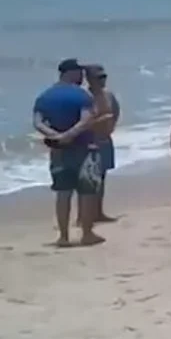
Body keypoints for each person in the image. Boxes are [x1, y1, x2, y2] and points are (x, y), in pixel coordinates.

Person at [33, 59, 108, 247]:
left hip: (59, 151)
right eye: (80, 73)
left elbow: (38, 123)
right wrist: (70, 135)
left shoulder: (45, 96)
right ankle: (87, 234)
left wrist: (57, 136)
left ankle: (64, 236)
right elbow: (86, 119)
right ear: (71, 73)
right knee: (87, 192)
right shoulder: (81, 96)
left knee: (63, 193)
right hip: (84, 149)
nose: (82, 77)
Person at [83, 64, 120, 223]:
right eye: (99, 78)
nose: (102, 81)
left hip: (105, 141)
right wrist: (98, 122)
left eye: (104, 77)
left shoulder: (108, 95)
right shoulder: (84, 97)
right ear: (89, 79)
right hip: (89, 143)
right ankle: (84, 215)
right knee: (87, 182)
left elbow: (116, 111)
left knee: (102, 178)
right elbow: (81, 121)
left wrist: (110, 126)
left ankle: (98, 212)